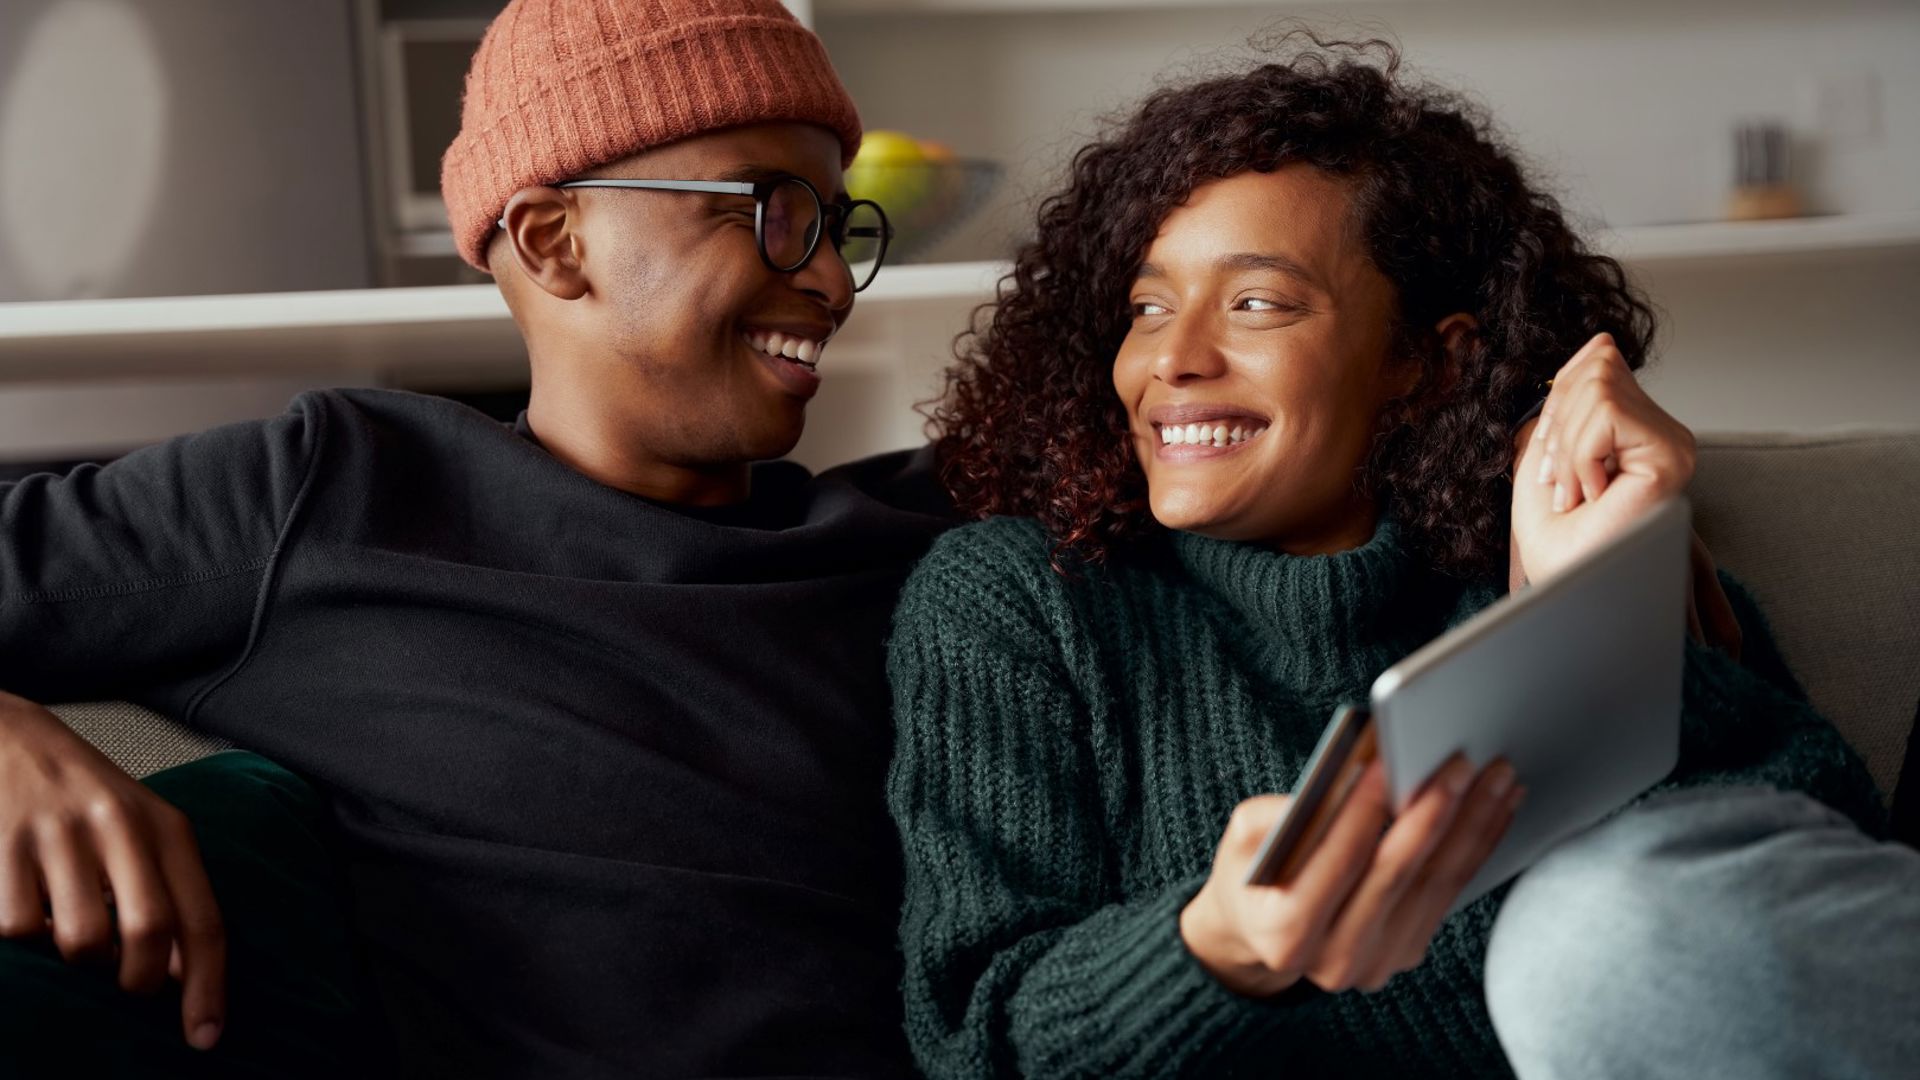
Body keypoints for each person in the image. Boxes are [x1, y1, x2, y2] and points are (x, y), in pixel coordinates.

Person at [886, 35, 1918, 1079]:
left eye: (1256, 304)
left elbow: (1829, 933)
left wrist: (1595, 597)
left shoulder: (1535, 565)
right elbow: (977, 1036)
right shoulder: (1022, 601)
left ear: (1425, 362)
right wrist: (1215, 948)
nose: (1173, 360)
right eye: (1146, 308)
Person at [0, 2, 950, 1075]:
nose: (828, 282)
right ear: (554, 241)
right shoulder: (337, 491)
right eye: (777, 211)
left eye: (835, 225)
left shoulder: (919, 536)